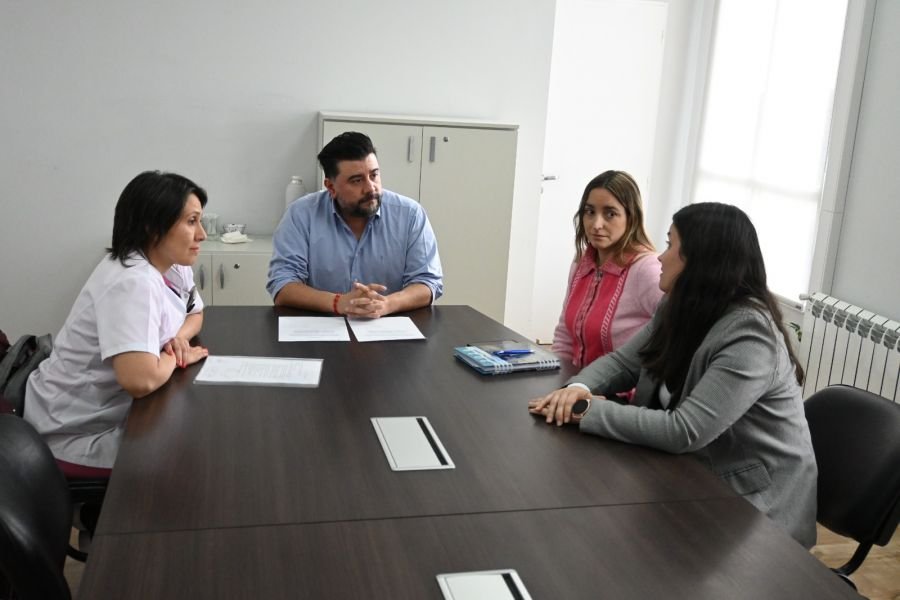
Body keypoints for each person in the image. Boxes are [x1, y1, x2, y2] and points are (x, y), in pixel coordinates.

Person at [528, 202, 818, 548]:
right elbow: (624, 363)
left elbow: (685, 430)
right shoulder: (680, 304)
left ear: (701, 261)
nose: (660, 258)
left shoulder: (750, 336)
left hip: (753, 504)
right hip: (688, 476)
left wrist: (585, 410)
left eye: (669, 245)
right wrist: (576, 388)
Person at [25, 171, 210, 478]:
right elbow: (140, 381)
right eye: (191, 222)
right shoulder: (132, 281)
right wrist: (176, 356)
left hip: (111, 411)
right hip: (72, 431)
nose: (202, 234)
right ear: (153, 227)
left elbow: (195, 312)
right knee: (189, 464)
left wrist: (176, 338)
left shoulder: (170, 265)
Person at [267, 131, 443, 317]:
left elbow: (427, 282)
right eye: (357, 180)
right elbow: (283, 285)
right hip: (322, 329)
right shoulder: (301, 214)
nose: (370, 188)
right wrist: (338, 302)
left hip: (388, 328)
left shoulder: (410, 214)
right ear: (331, 187)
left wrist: (387, 304)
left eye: (374, 175)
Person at [552, 171, 663, 368]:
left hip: (622, 394)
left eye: (610, 214)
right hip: (578, 385)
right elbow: (564, 336)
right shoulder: (581, 262)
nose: (596, 224)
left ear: (631, 217)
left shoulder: (647, 268)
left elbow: (677, 334)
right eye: (590, 212)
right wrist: (555, 379)